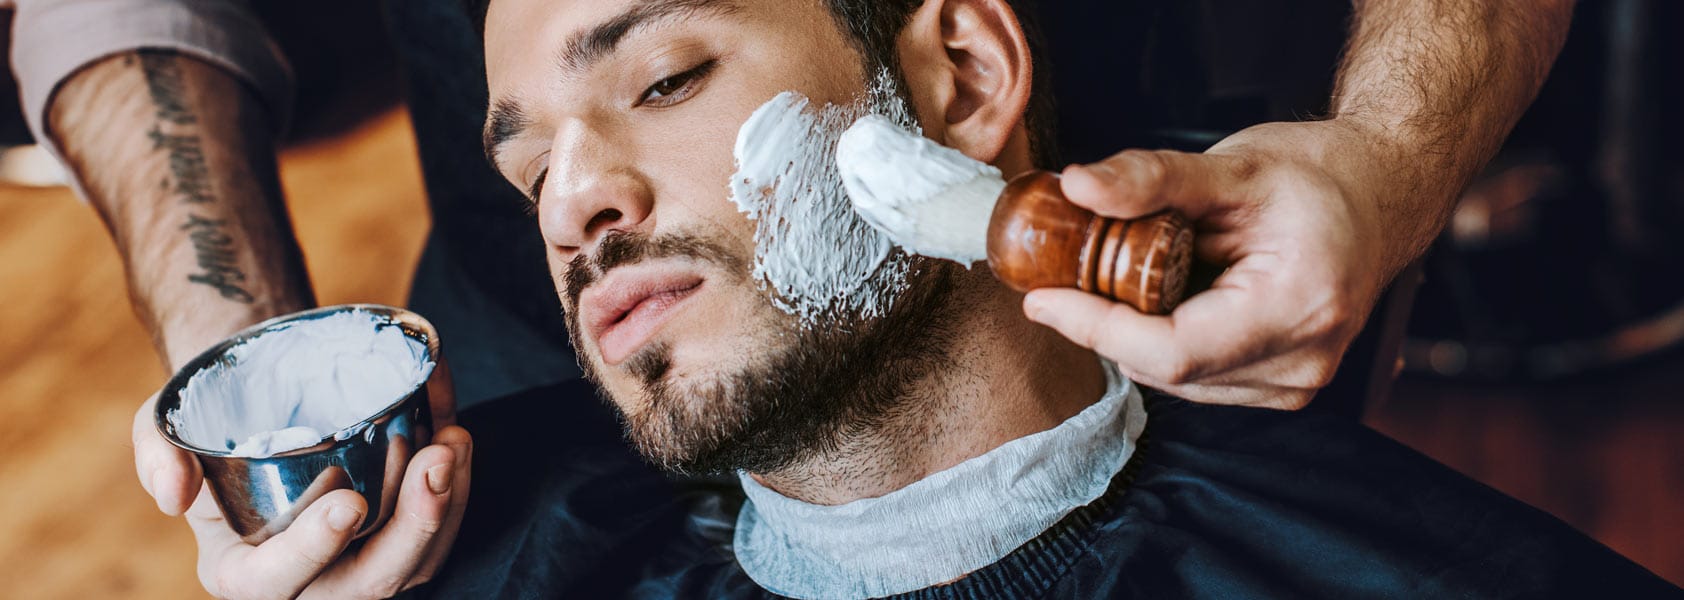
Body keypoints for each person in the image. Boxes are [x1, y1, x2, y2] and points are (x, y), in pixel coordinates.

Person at [2, 0, 1598, 597]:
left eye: (666, 77)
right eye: (527, 166)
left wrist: (1393, 157)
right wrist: (252, 380)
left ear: (958, 69)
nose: (574, 205)